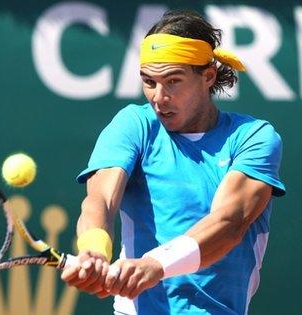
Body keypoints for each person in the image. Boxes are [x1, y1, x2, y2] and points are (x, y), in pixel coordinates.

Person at [61, 9, 286, 315]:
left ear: (207, 76)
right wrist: (94, 251)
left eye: (173, 81)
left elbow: (229, 223)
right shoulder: (133, 124)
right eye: (149, 82)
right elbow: (99, 198)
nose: (158, 97)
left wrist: (156, 264)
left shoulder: (253, 137)